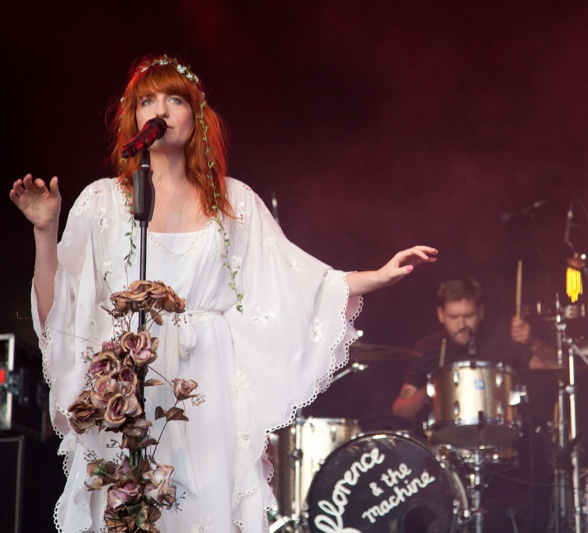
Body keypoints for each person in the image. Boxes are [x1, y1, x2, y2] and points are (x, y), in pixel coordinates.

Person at [9, 54, 437, 533]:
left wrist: (375, 276)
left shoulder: (233, 202)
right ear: (133, 119)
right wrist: (45, 233)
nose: (161, 110)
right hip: (127, 387)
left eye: (175, 99)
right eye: (147, 100)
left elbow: (295, 280)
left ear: (196, 116)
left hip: (206, 389)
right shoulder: (102, 200)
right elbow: (59, 316)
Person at [392, 276, 555, 422]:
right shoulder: (427, 348)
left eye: (468, 316)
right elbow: (401, 410)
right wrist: (431, 389)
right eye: (453, 317)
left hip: (499, 439)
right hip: (443, 447)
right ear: (440, 315)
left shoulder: (503, 338)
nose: (461, 325)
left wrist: (532, 342)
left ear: (481, 312)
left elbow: (554, 368)